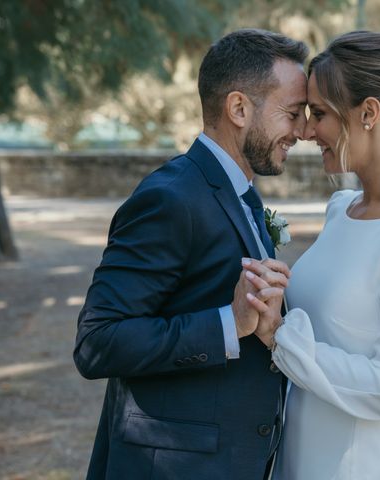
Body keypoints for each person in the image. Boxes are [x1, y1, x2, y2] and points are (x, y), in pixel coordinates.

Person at [73, 29, 307, 479]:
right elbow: (97, 342)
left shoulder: (242, 196)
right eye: (292, 113)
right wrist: (230, 324)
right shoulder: (171, 198)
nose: (300, 131)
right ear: (239, 108)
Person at [243, 31, 380, 479]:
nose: (305, 131)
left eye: (319, 114)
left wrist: (280, 337)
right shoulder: (342, 210)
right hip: (300, 453)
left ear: (368, 113)